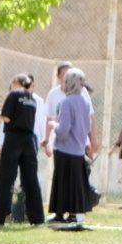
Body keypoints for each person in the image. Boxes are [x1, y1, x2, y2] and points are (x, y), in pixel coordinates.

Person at [0, 74, 44, 227]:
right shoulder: (32, 99)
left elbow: (7, 118)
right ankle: (37, 219)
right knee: (31, 180)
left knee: (5, 179)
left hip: (13, 138)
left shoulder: (13, 95)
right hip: (29, 140)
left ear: (18, 83)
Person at [48, 67, 94, 229]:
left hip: (65, 149)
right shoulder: (85, 102)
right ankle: (74, 213)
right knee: (74, 183)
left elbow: (63, 131)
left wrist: (54, 125)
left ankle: (59, 213)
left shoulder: (67, 102)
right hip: (79, 149)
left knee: (61, 182)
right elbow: (87, 127)